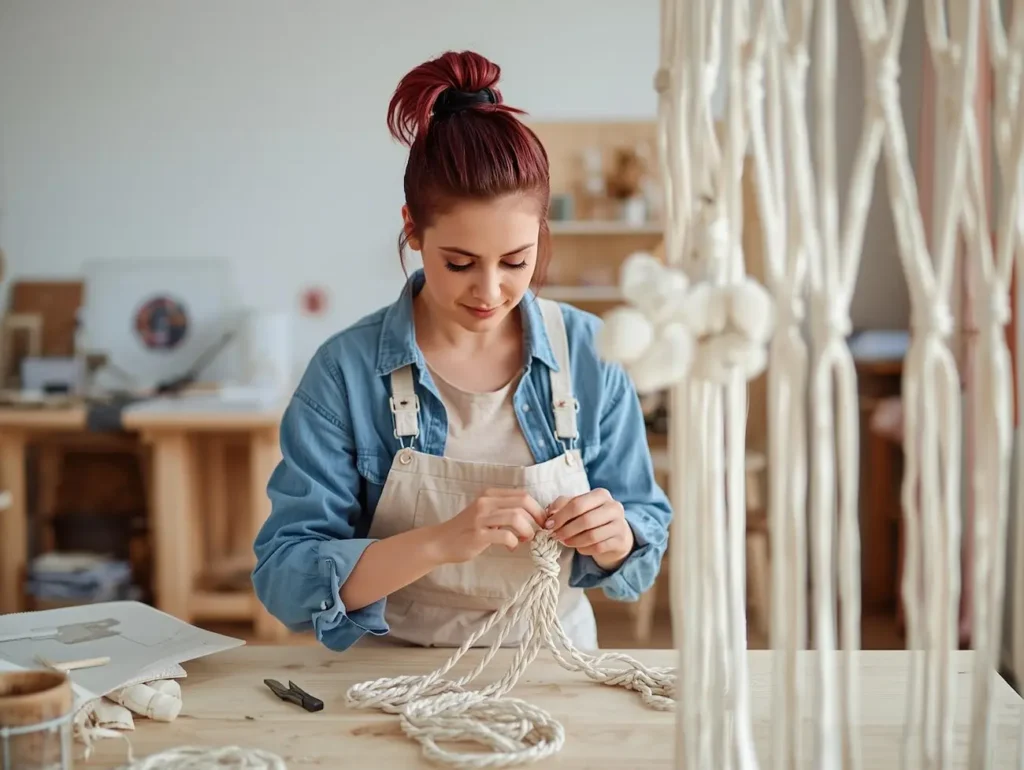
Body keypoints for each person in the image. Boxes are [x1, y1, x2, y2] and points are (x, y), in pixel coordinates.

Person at [251, 50, 672, 652]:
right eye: (460, 263)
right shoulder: (344, 373)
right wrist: (441, 542)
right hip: (388, 679)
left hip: (556, 661)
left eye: (517, 261)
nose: (490, 290)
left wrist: (617, 536)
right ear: (413, 229)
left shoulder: (588, 352)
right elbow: (285, 580)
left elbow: (643, 533)